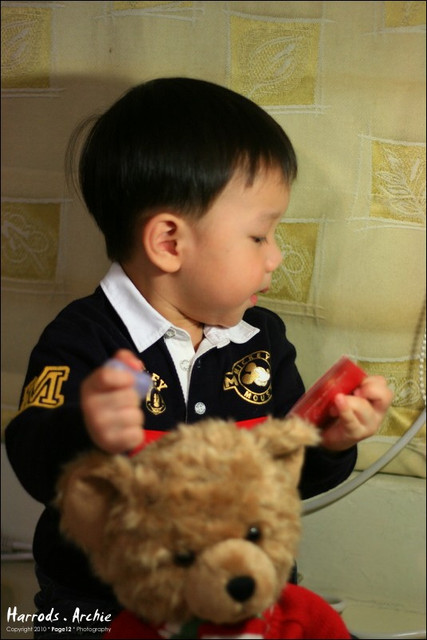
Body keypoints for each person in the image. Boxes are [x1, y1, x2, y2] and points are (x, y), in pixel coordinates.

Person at [5, 77, 393, 638]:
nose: (276, 258)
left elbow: (282, 480)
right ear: (169, 243)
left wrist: (331, 444)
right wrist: (85, 430)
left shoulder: (262, 340)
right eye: (260, 237)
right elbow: (32, 457)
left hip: (237, 597)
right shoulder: (82, 338)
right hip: (95, 605)